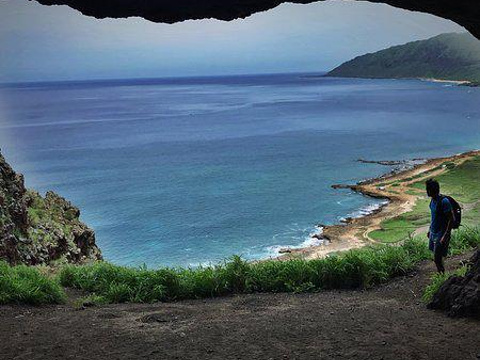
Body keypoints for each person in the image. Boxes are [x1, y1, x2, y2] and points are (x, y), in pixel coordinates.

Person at [426, 179, 454, 273]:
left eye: (428, 189)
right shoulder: (432, 201)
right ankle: (441, 273)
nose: (427, 191)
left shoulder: (444, 201)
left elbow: (451, 218)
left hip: (441, 233)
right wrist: (430, 230)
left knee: (437, 258)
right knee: (436, 254)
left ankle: (442, 277)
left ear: (433, 190)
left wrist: (445, 235)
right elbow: (434, 217)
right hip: (434, 231)